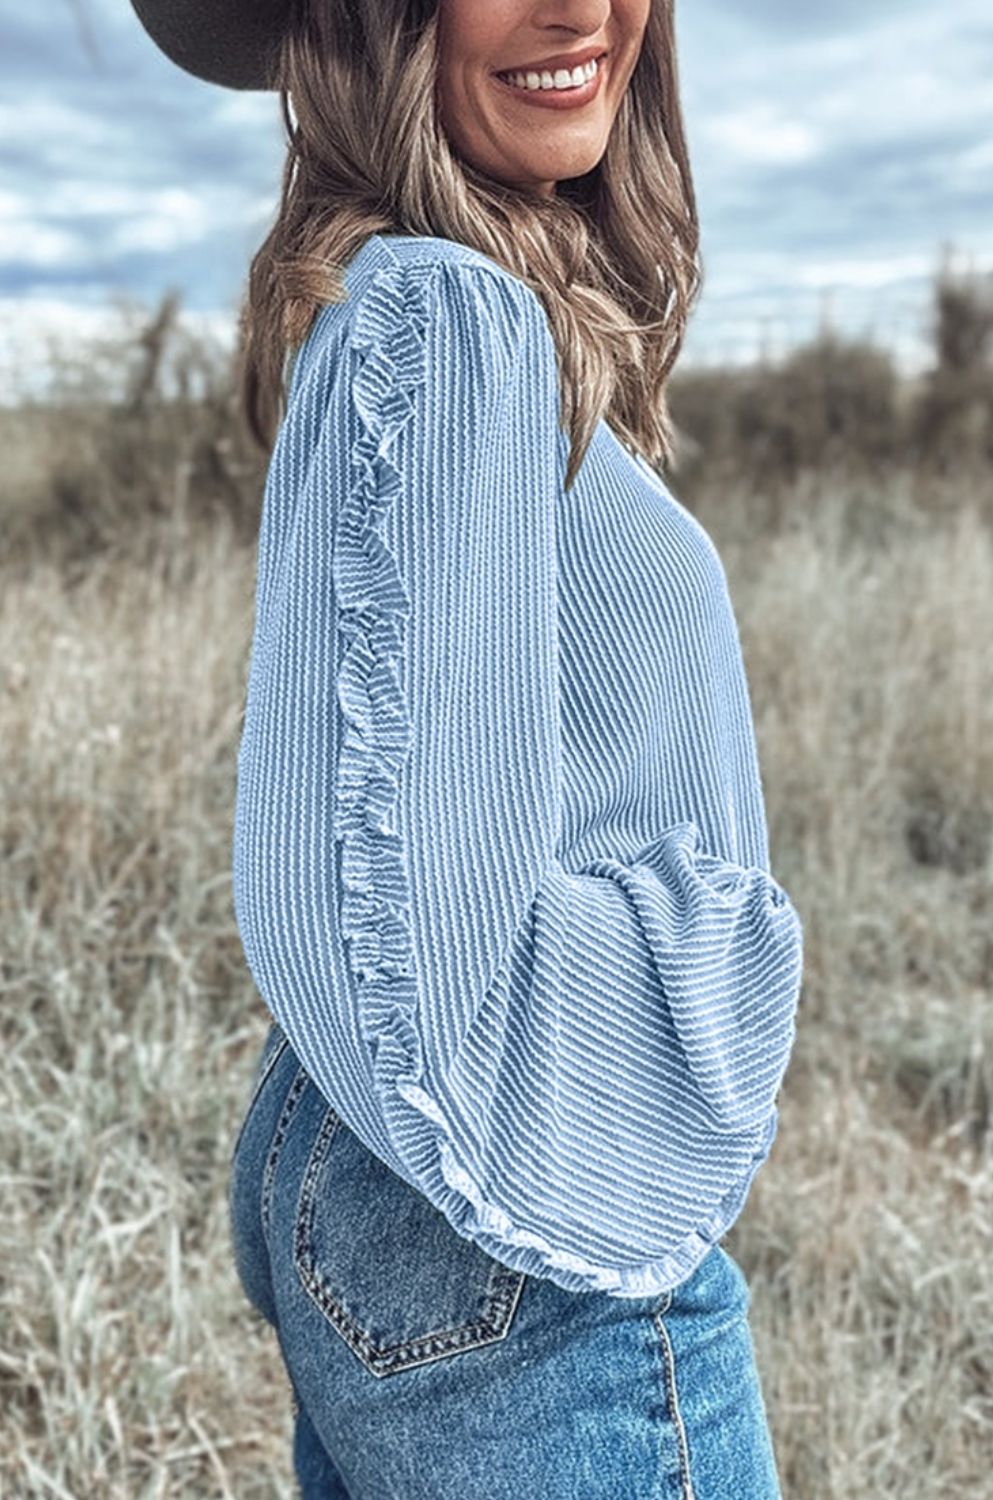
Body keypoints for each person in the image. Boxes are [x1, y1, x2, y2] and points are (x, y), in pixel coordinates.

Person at [130, 2, 806, 1495]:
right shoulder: (449, 317)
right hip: (518, 1227)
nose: (584, 11)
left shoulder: (423, 300)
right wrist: (669, 1028)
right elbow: (433, 953)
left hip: (387, 1172)